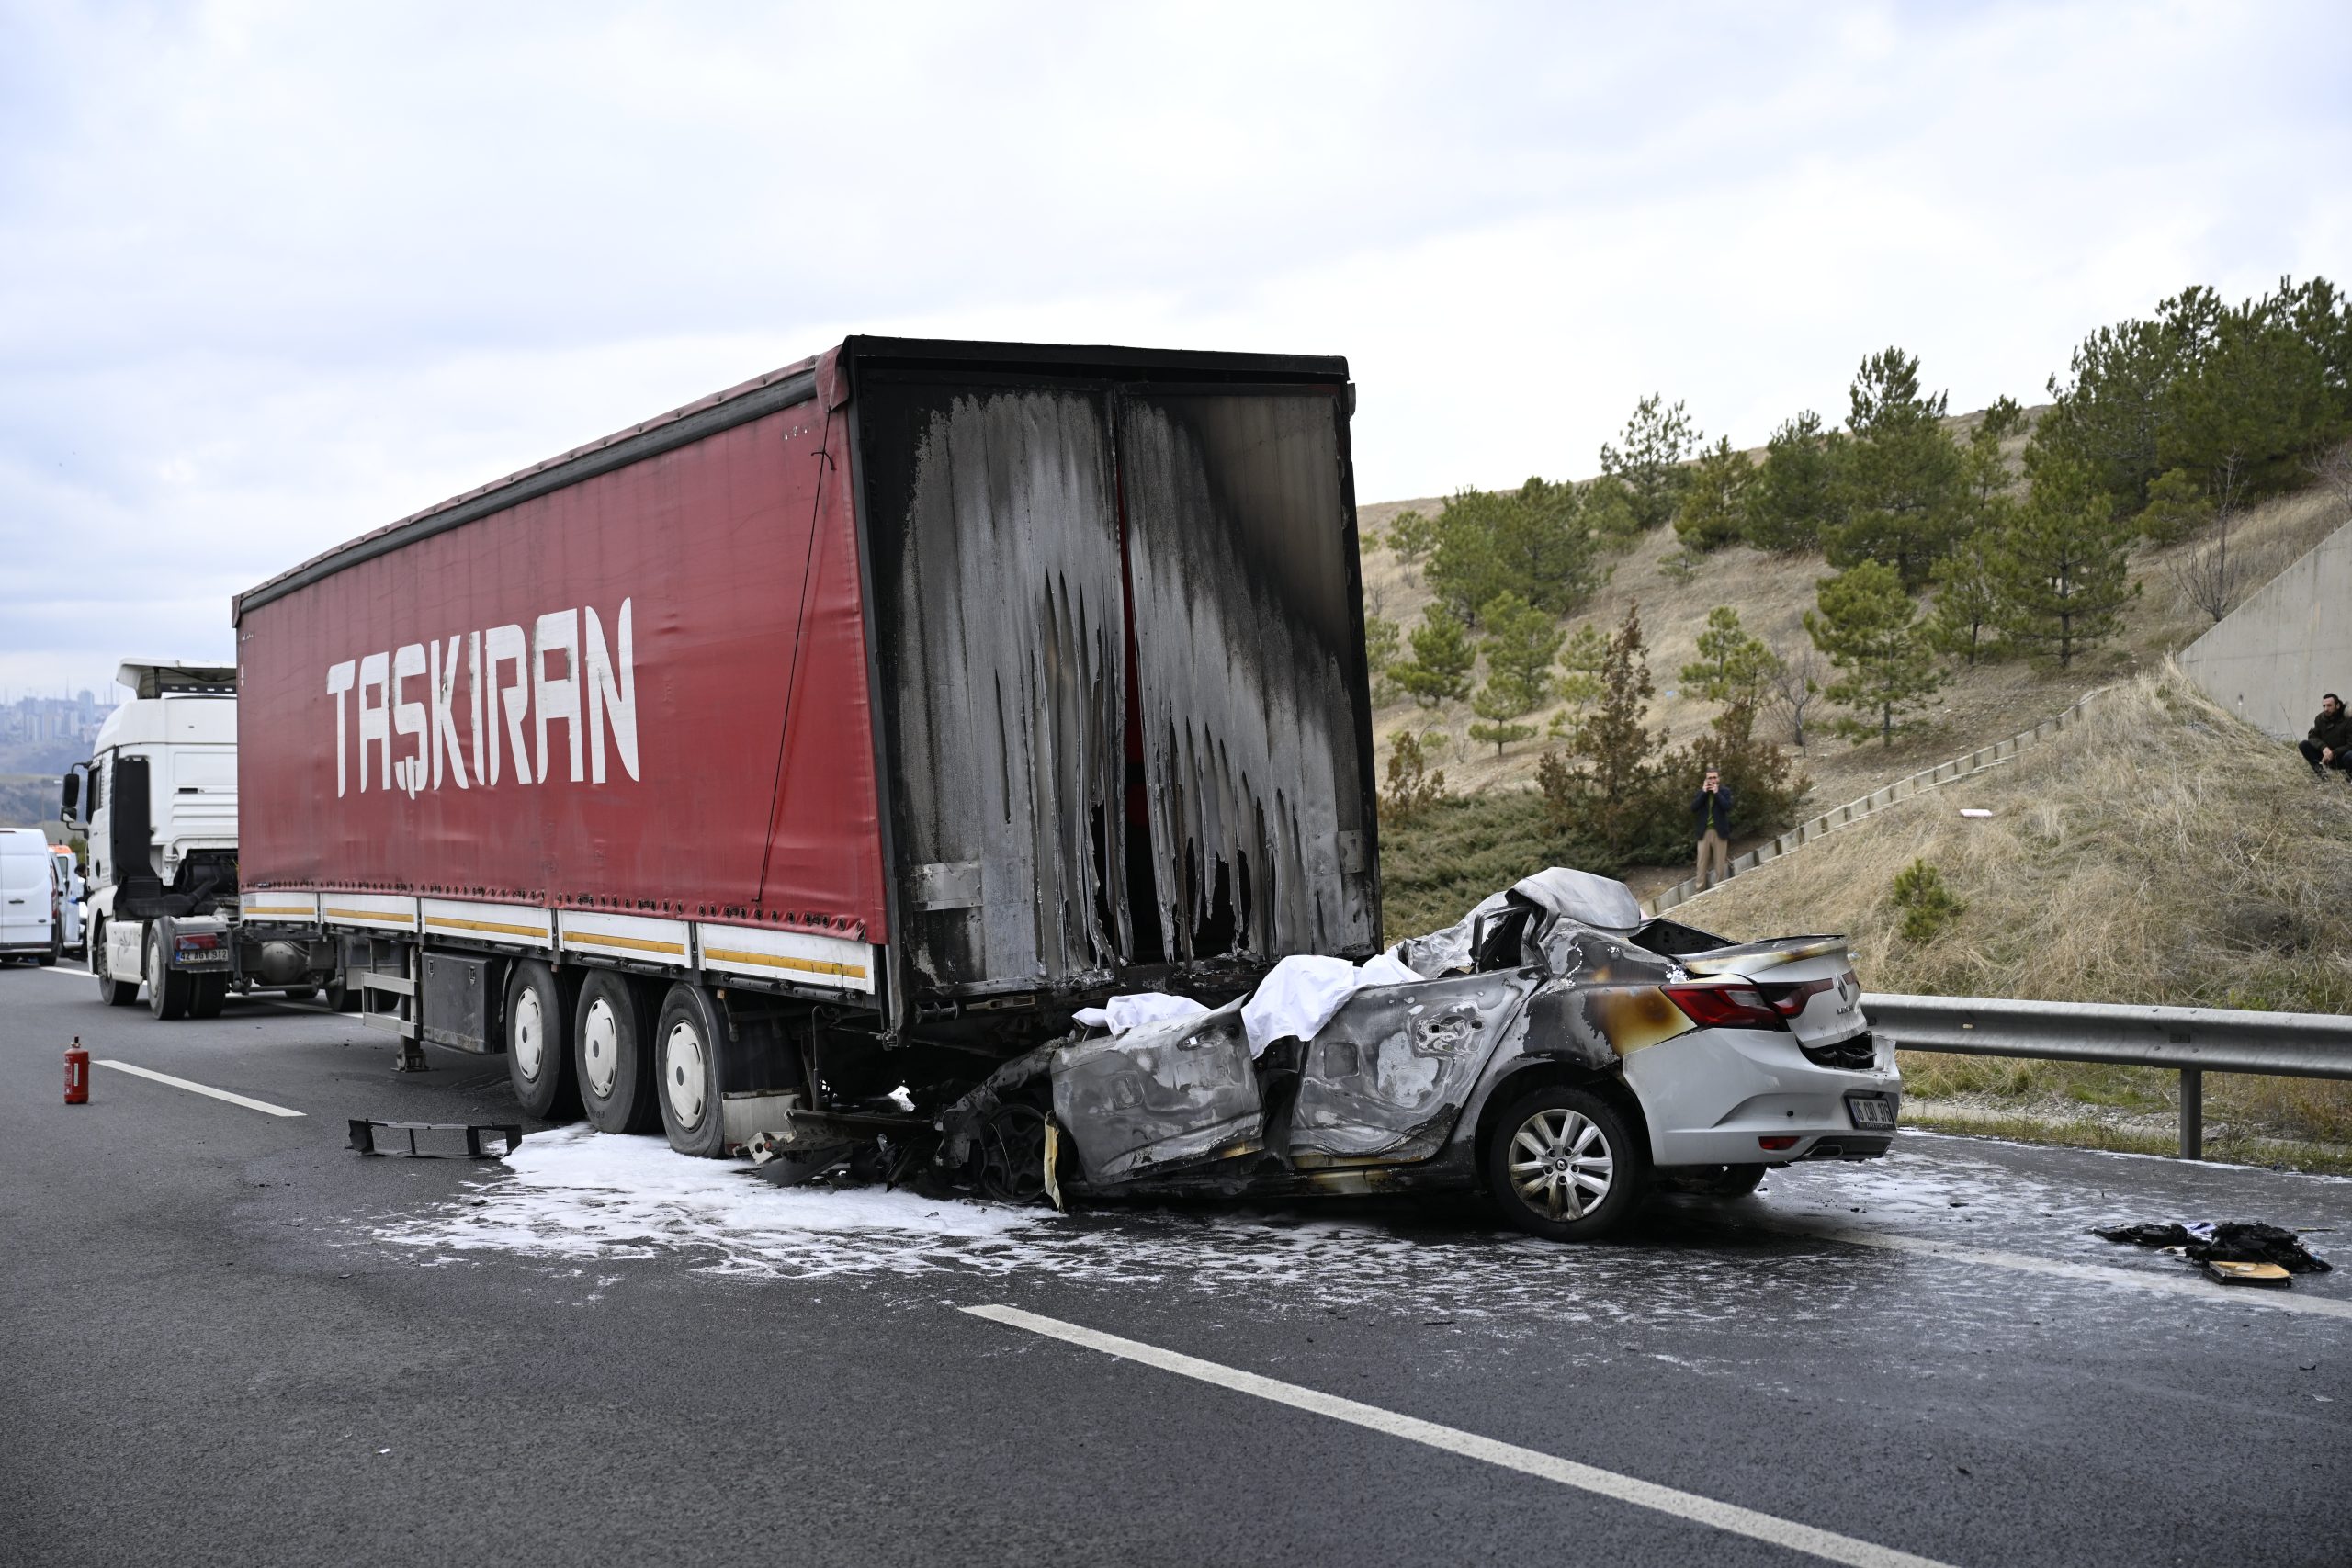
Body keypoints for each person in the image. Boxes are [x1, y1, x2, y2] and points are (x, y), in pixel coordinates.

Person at [1691, 766, 1734, 890]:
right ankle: (1699, 890)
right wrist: (1704, 792)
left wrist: (1717, 793)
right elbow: (1693, 808)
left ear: (1718, 778)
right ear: (1706, 779)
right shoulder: (1701, 793)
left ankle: (1719, 888)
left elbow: (1727, 807)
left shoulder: (1724, 791)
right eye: (1710, 778)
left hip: (1719, 831)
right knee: (1701, 864)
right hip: (1704, 833)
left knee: (1720, 863)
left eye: (1714, 777)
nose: (1712, 780)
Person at [2301, 693, 2352, 782]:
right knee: (2304, 745)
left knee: (2350, 755)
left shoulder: (2348, 720)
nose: (2326, 709)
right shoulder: (2320, 718)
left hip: (2342, 757)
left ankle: (2349, 779)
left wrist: (2333, 753)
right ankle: (2322, 775)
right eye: (2324, 706)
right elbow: (2312, 736)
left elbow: (2351, 744)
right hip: (2325, 757)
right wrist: (2324, 748)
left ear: (2338, 705)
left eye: (2329, 705)